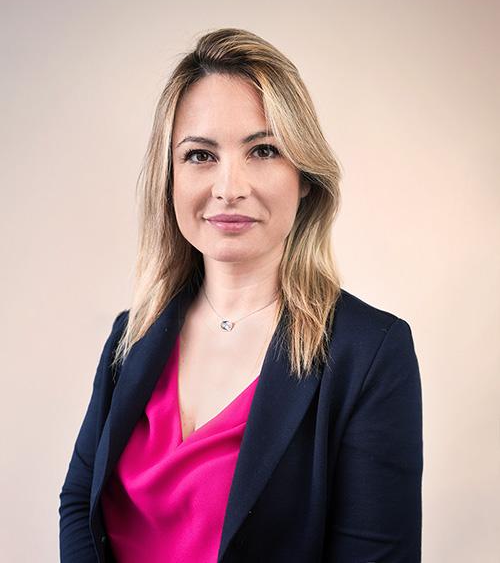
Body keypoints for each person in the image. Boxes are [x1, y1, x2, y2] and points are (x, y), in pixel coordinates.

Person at [59, 27, 423, 562]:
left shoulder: (369, 354)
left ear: (305, 176)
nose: (230, 188)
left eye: (264, 150)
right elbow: (78, 503)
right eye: (200, 155)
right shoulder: (132, 334)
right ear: (170, 178)